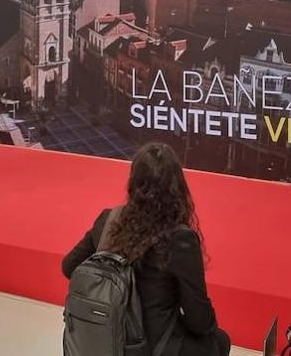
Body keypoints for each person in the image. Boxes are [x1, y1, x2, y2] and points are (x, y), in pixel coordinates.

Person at [62, 143, 230, 356]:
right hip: (152, 348)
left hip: (106, 340)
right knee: (220, 341)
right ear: (177, 186)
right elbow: (199, 321)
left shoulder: (109, 220)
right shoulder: (180, 239)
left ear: (133, 182)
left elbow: (69, 267)